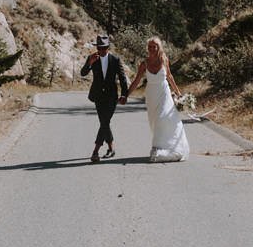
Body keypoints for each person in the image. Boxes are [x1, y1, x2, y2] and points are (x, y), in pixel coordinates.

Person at [121, 36, 189, 162]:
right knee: (155, 122)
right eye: (150, 47)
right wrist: (126, 95)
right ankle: (163, 147)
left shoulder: (164, 60)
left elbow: (169, 77)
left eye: (154, 46)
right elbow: (136, 81)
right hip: (151, 95)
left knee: (162, 118)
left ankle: (159, 148)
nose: (152, 49)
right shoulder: (144, 63)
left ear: (159, 47)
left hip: (164, 93)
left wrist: (178, 93)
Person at [80, 34, 129, 163]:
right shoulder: (92, 58)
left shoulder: (115, 60)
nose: (101, 51)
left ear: (108, 47)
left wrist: (124, 94)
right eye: (99, 48)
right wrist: (89, 63)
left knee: (104, 122)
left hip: (112, 97)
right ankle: (111, 148)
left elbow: (123, 78)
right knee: (104, 122)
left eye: (103, 48)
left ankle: (95, 151)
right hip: (98, 96)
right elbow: (83, 73)